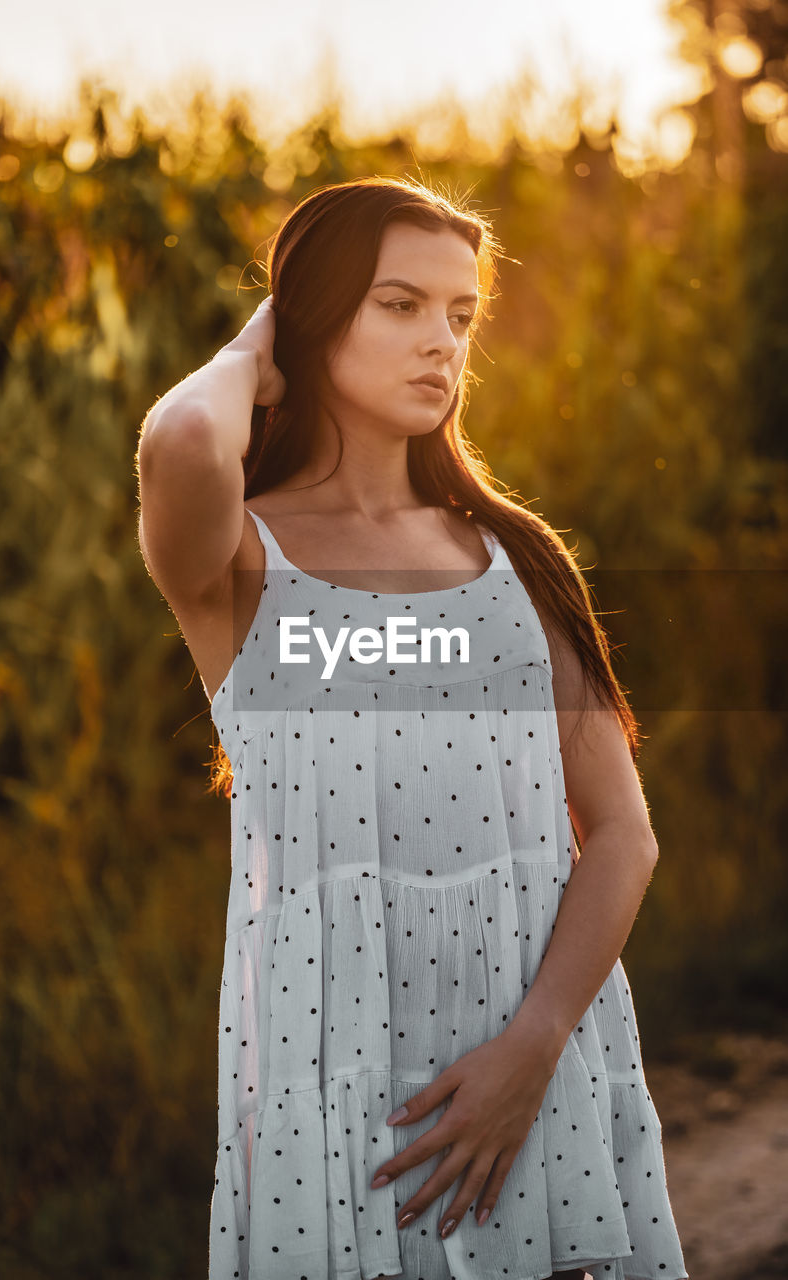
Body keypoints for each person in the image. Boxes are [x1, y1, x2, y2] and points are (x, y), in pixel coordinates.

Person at [135, 176, 688, 1280]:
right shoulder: (244, 562)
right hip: (328, 1083)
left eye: (460, 313)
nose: (440, 341)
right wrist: (263, 337)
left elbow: (622, 832)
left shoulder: (515, 557)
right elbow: (184, 432)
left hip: (537, 1065)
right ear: (313, 316)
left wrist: (530, 1053)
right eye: (397, 304)